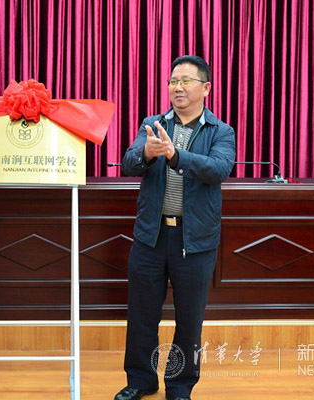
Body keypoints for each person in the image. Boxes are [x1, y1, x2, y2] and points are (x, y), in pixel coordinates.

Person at [114, 55, 236, 400]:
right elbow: (128, 163)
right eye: (172, 81)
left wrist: (175, 155)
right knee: (142, 315)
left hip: (194, 240)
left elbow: (218, 169)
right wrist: (148, 153)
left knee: (189, 319)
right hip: (151, 236)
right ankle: (141, 380)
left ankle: (180, 387)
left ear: (206, 88)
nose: (177, 87)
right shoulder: (152, 124)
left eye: (185, 81)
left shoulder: (220, 131)